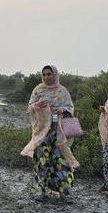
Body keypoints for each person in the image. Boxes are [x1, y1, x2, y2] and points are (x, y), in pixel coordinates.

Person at [21, 65, 79, 203]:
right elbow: (29, 108)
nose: (46, 77)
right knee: (41, 161)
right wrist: (36, 106)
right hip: (42, 132)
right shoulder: (38, 90)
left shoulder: (62, 91)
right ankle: (43, 192)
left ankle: (64, 193)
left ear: (55, 75)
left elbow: (70, 108)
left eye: (49, 74)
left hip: (58, 131)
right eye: (44, 74)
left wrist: (61, 110)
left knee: (61, 161)